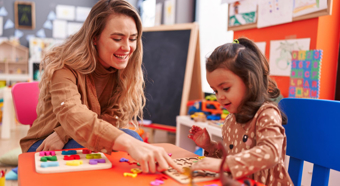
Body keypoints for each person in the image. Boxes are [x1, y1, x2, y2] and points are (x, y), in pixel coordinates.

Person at [20, 0, 181, 174]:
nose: (127, 47)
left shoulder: (122, 71)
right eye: (117, 38)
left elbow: (111, 117)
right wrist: (130, 144)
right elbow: (72, 114)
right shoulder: (64, 67)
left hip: (77, 137)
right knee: (129, 140)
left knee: (130, 139)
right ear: (94, 37)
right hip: (43, 144)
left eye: (133, 39)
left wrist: (63, 133)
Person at [188, 38, 293, 185]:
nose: (220, 97)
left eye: (225, 88)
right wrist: (210, 146)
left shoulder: (267, 113)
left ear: (249, 82)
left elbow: (271, 152)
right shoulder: (231, 119)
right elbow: (231, 160)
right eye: (215, 91)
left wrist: (223, 164)